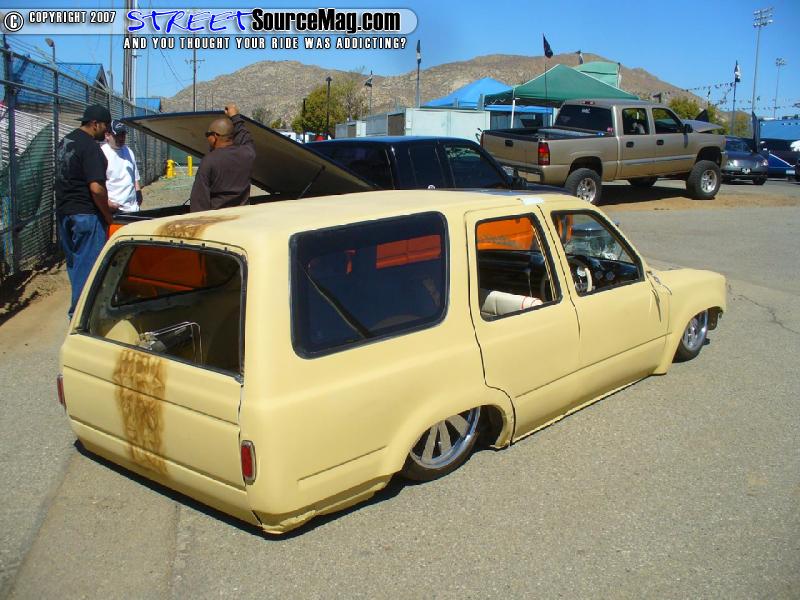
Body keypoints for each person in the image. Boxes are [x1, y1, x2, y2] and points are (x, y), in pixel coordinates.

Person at [55, 104, 115, 318]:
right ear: (95, 124)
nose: (106, 132)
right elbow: (96, 188)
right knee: (89, 270)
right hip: (86, 216)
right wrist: (107, 215)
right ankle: (81, 317)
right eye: (105, 126)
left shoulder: (65, 142)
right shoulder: (90, 147)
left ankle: (78, 311)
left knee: (76, 266)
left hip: (65, 213)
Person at [189, 103, 256, 212]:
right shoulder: (248, 153)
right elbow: (244, 135)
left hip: (218, 219)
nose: (207, 137)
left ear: (215, 136)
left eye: (208, 134)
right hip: (242, 216)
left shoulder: (209, 160)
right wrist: (235, 116)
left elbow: (199, 201)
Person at [101, 119, 142, 213]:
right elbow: (98, 185)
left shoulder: (129, 151)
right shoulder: (102, 153)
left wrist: (138, 194)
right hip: (115, 210)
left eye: (123, 134)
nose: (121, 138)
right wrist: (109, 204)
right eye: (117, 135)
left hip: (133, 208)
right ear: (107, 135)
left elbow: (134, 177)